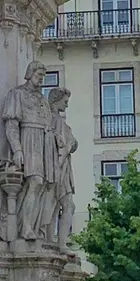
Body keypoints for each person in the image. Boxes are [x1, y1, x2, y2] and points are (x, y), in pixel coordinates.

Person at [2, 61, 57, 240]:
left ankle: (32, 226)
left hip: (44, 143)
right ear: (30, 73)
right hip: (29, 139)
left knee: (41, 185)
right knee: (34, 181)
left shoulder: (43, 99)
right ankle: (25, 227)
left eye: (43, 76)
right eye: (38, 75)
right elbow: (11, 124)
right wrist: (17, 149)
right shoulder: (17, 94)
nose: (41, 79)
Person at [46, 87, 78, 253]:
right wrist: (67, 147)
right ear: (56, 100)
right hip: (56, 166)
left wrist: (70, 145)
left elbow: (71, 142)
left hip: (63, 166)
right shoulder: (51, 120)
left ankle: (58, 242)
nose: (66, 105)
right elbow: (61, 144)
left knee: (65, 205)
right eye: (65, 102)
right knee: (57, 204)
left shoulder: (59, 122)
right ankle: (56, 242)